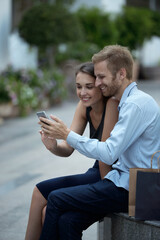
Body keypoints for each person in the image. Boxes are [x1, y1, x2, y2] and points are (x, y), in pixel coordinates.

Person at [39, 45, 160, 240]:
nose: (97, 82)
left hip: (132, 190)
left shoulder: (136, 104)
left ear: (121, 74)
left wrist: (67, 134)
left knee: (56, 197)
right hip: (121, 183)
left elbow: (110, 152)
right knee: (68, 220)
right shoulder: (127, 101)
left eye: (101, 77)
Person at [24, 62, 119, 240]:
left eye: (89, 87)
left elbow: (106, 157)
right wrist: (53, 145)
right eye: (78, 87)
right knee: (45, 207)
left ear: (100, 85)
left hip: (111, 174)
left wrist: (102, 193)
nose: (83, 92)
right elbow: (67, 149)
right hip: (97, 170)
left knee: (44, 194)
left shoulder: (112, 105)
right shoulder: (84, 106)